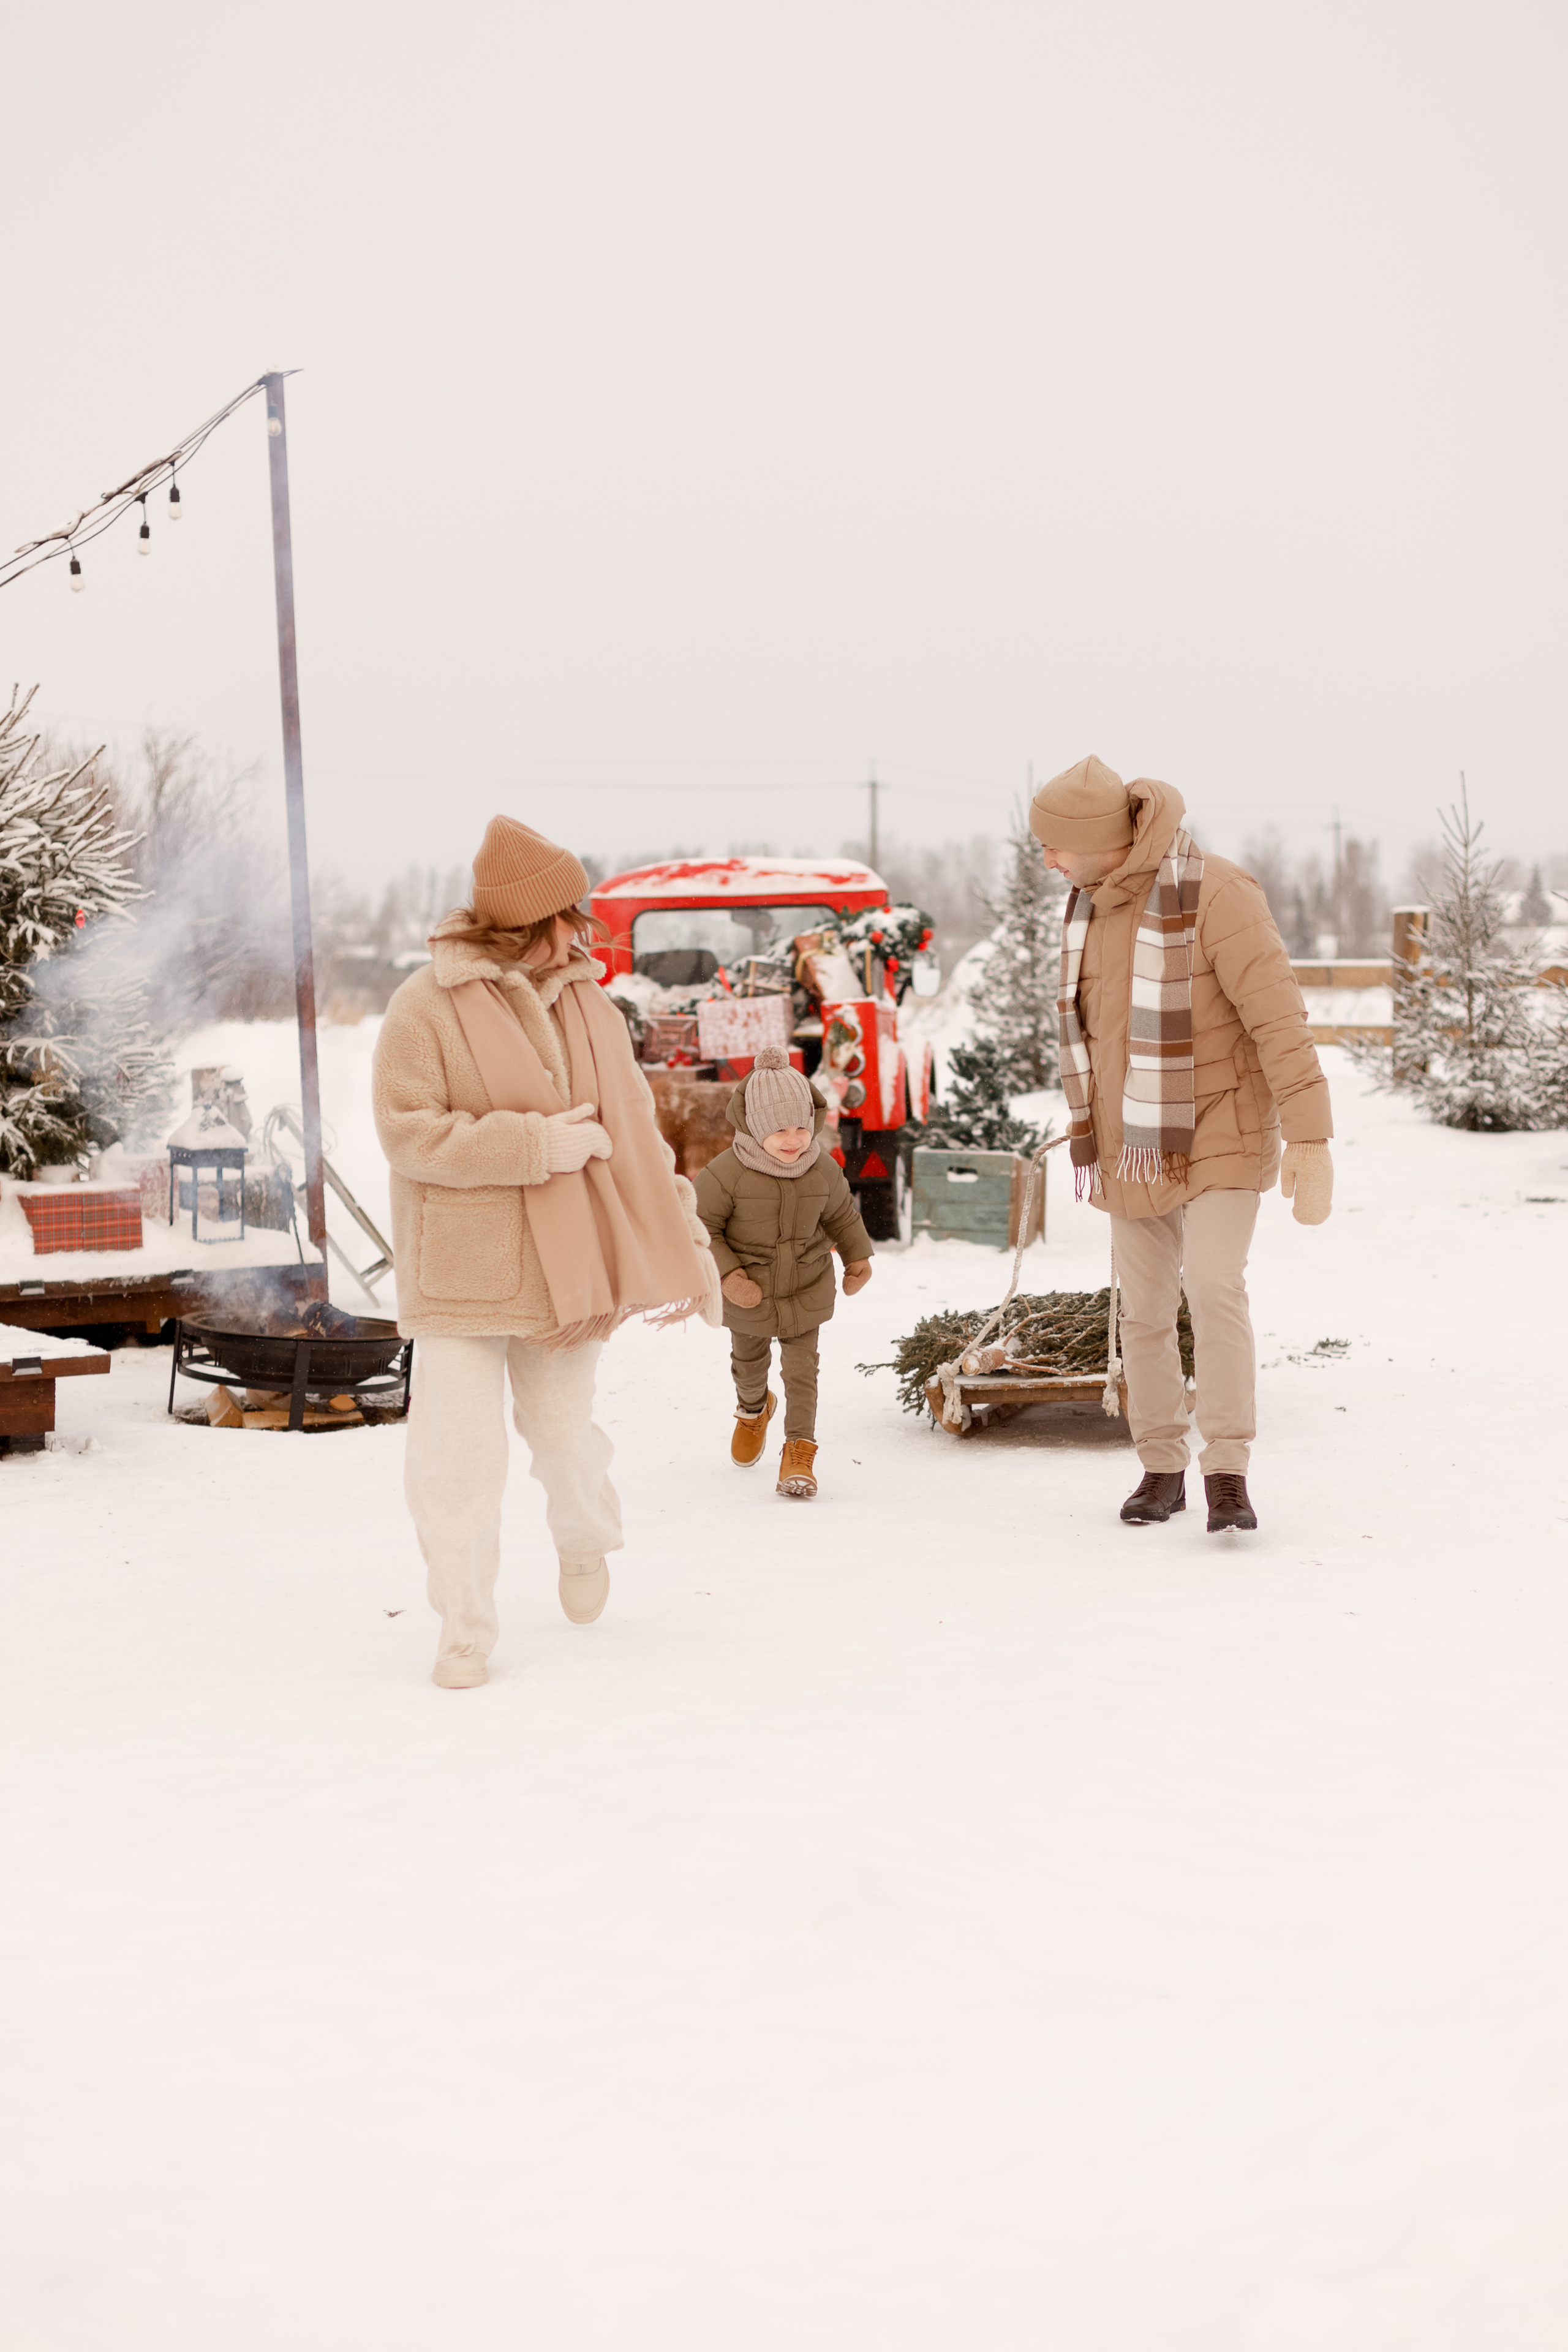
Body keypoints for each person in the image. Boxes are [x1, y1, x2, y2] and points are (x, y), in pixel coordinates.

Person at [372, 815, 720, 1689]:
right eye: (565, 916)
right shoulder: (426, 1004)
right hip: (459, 1270)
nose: (580, 931)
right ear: (520, 924)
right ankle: (463, 1628)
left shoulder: (589, 1006)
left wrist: (685, 1232)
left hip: (571, 1273)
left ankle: (585, 1540)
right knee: (454, 1464)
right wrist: (531, 1147)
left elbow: (636, 1135)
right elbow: (407, 1134)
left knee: (564, 1439)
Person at [1030, 755, 1333, 1533]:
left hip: (1222, 1128)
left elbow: (1277, 1018)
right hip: (1134, 1141)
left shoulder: (1217, 892)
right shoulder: (1087, 908)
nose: (1047, 858)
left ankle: (1226, 1468)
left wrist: (1309, 1135)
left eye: (1055, 844)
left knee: (1212, 1284)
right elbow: (1094, 1039)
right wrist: (1088, 1128)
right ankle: (1160, 1465)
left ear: (1100, 839)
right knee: (1145, 1308)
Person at [693, 1045, 874, 1499]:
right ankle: (753, 1410)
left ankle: (799, 1450)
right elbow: (699, 1227)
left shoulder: (822, 1169)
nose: (794, 1139)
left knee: (802, 1371)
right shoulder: (726, 1174)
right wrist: (730, 1276)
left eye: (801, 1127)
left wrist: (858, 1257)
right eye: (779, 1129)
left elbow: (843, 1218)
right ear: (754, 1125)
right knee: (750, 1366)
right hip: (749, 1291)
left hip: (806, 1286)